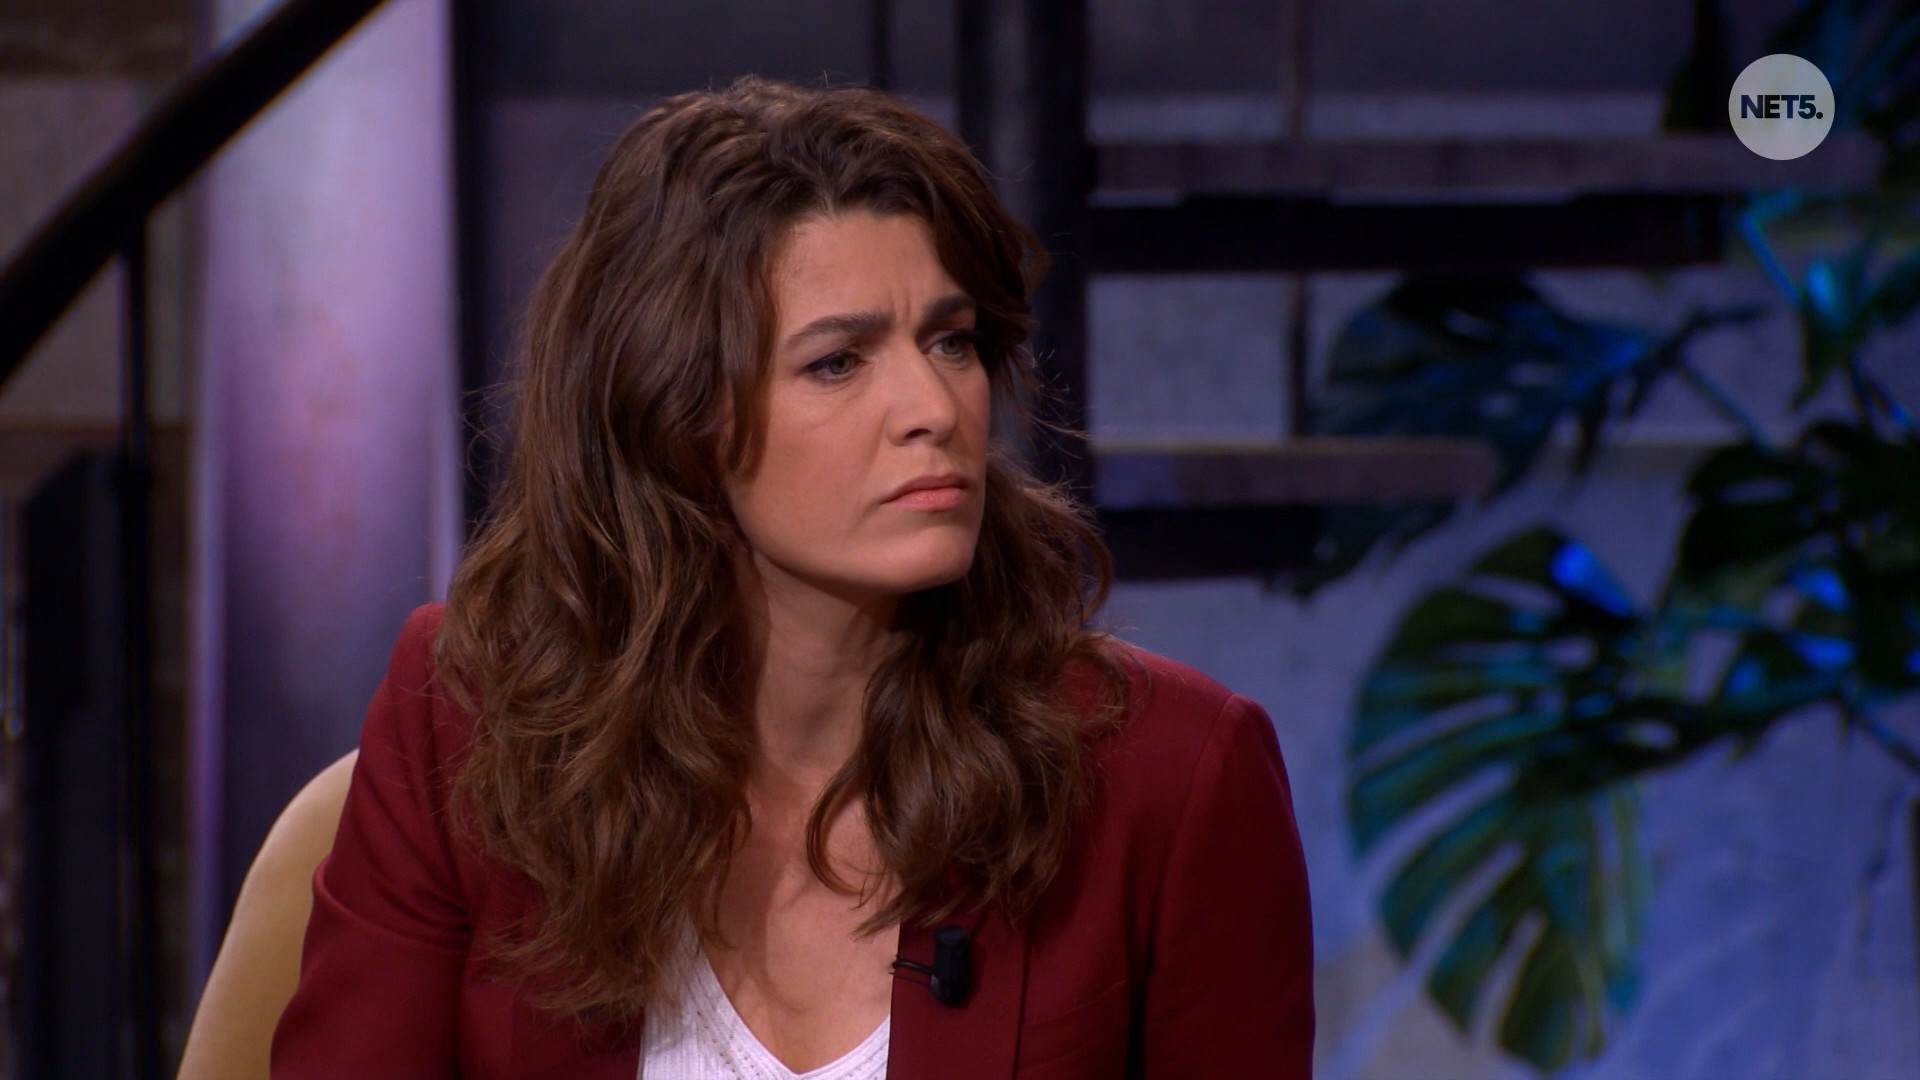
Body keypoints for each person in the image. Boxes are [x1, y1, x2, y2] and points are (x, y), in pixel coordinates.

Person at [269, 75, 1313, 1079]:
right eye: (837, 362)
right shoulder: (472, 720)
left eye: (950, 342)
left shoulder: (1171, 776)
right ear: (674, 415)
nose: (934, 409)